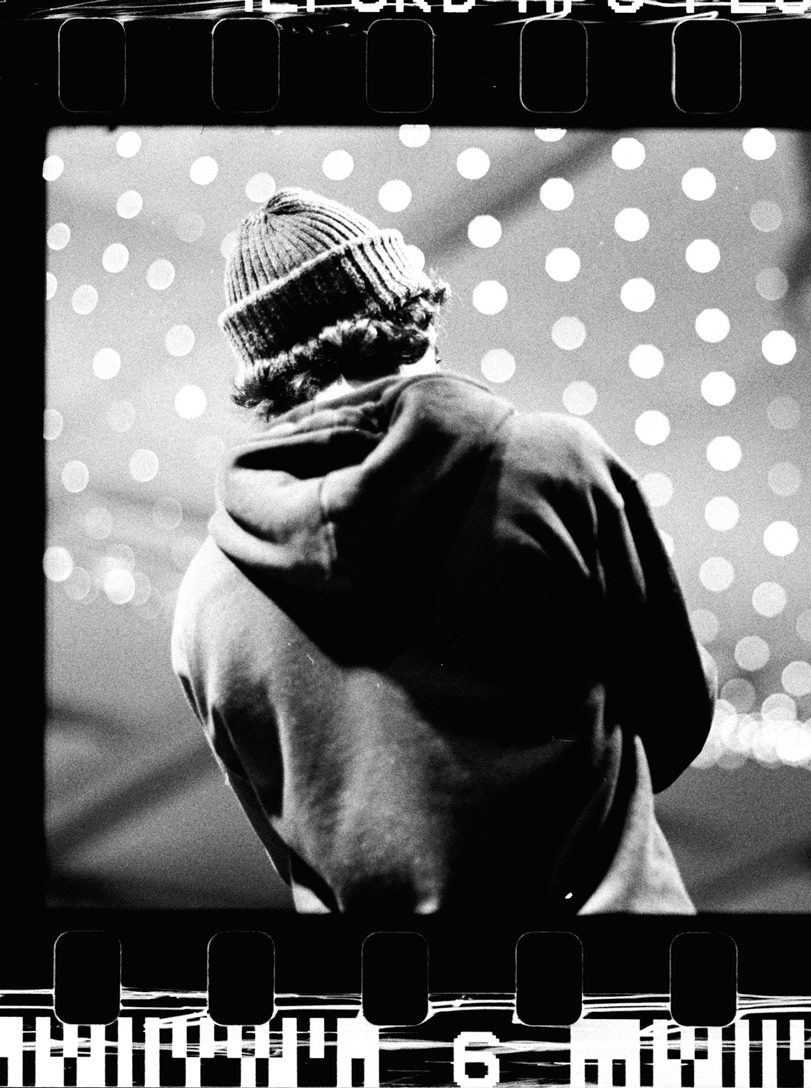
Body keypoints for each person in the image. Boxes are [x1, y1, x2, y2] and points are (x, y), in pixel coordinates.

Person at [171, 187, 714, 915]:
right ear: (411, 318)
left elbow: (286, 840)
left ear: (267, 381)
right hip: (606, 990)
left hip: (393, 1011)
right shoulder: (550, 462)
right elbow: (677, 708)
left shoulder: (205, 600)